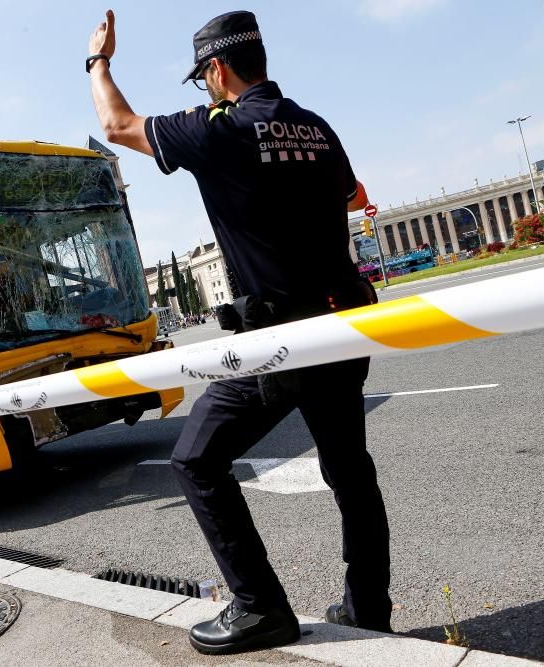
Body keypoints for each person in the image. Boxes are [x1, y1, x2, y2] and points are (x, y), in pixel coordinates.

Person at [87, 10, 391, 654]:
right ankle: (369, 610)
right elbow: (351, 190)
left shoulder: (219, 130)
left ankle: (258, 608)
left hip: (277, 339)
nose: (204, 91)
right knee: (350, 471)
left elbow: (117, 126)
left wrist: (99, 62)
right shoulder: (315, 125)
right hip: (341, 323)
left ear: (217, 70)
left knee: (195, 459)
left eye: (203, 80)